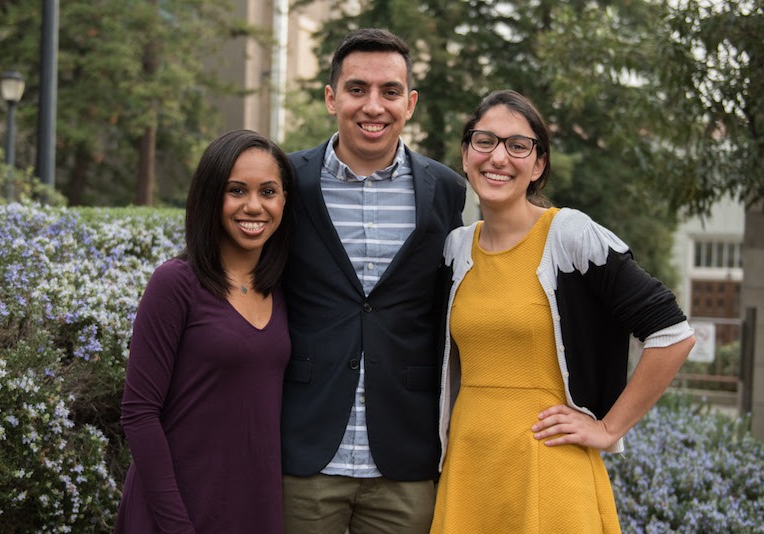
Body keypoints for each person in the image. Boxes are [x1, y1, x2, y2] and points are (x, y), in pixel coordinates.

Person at [431, 90, 697, 533]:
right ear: (465, 154)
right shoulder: (455, 249)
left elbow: (672, 333)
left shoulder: (569, 236)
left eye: (518, 145)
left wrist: (609, 429)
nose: (498, 156)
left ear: (538, 165)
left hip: (548, 470)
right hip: (469, 468)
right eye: (484, 141)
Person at [280, 28, 467, 533]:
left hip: (405, 456)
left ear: (410, 103)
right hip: (305, 450)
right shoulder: (287, 181)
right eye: (357, 89)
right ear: (331, 97)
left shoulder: (447, 190)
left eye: (389, 92)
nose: (373, 106)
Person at [114, 129, 294, 533]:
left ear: (284, 201)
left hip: (253, 508)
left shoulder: (283, 289)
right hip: (175, 511)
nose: (254, 206)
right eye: (236, 190)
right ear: (211, 196)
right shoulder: (176, 283)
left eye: (268, 191)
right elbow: (138, 413)